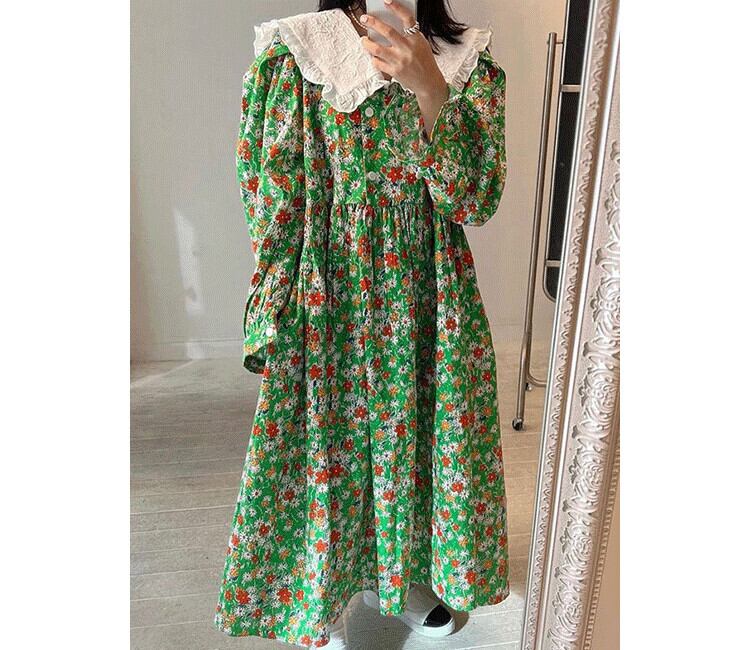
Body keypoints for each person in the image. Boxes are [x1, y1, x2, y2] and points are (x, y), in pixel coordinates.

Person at [214, 1, 509, 647]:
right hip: (329, 291)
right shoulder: (299, 51)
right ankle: (321, 593)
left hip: (430, 294)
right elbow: (271, 194)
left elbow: (474, 200)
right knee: (329, 452)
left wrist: (430, 89)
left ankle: (394, 581)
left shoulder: (468, 60)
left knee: (416, 448)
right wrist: (272, 304)